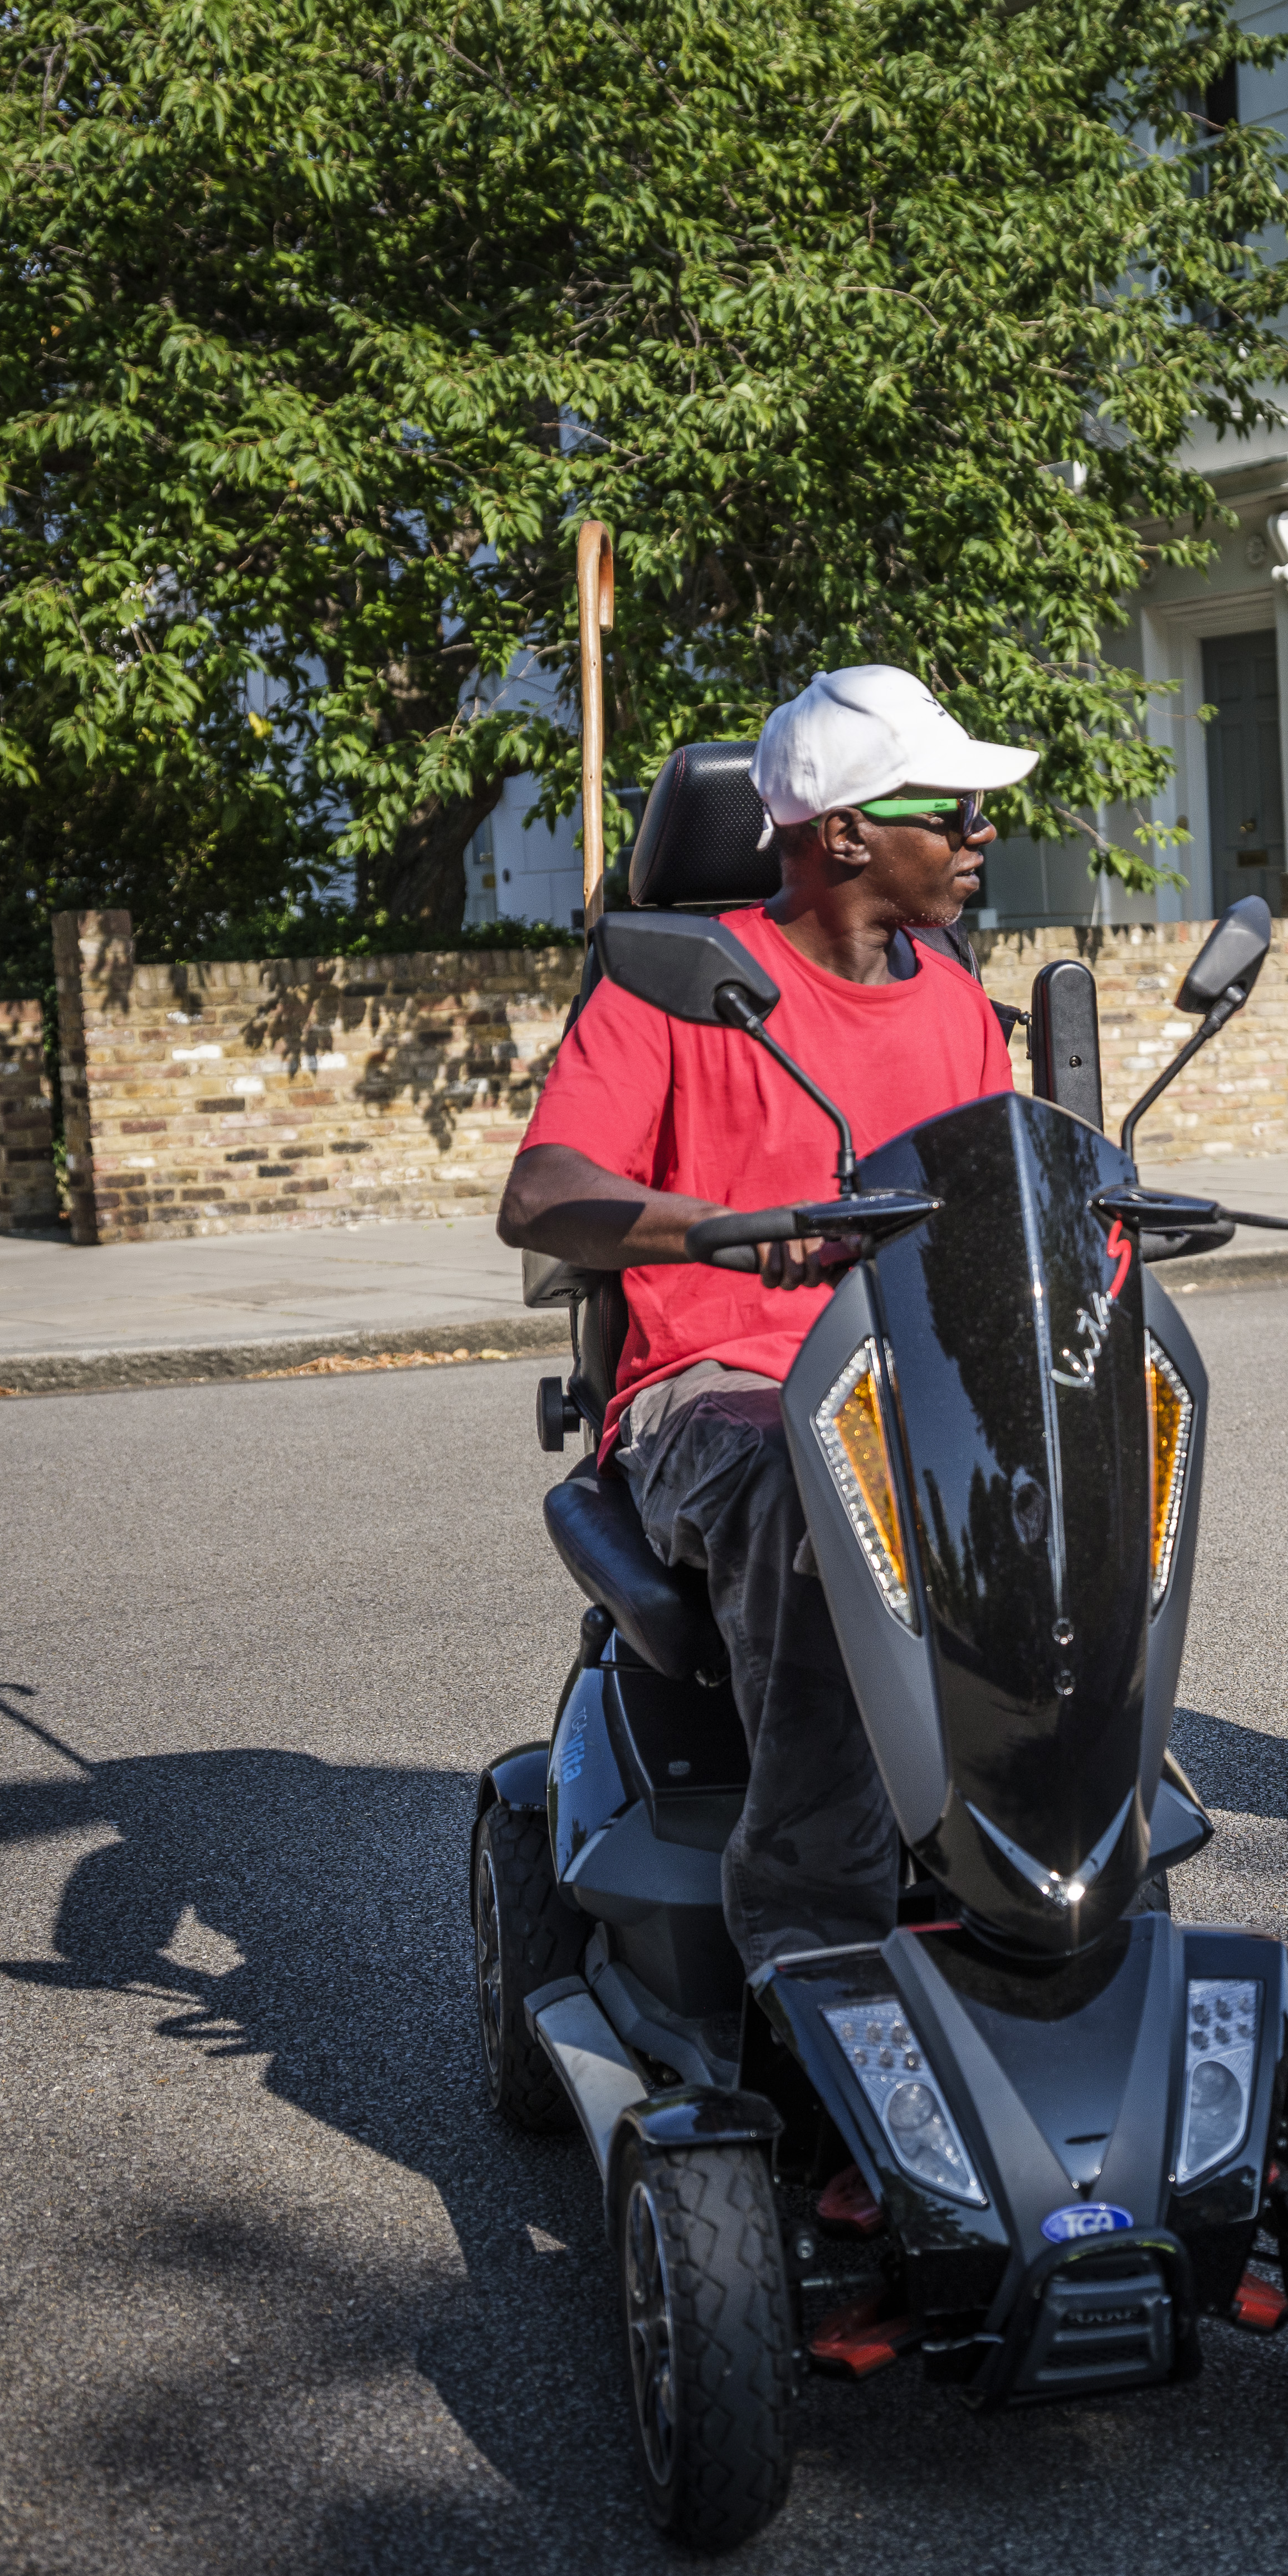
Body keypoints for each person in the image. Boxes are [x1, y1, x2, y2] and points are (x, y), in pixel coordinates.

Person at [498, 665, 1029, 1970]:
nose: (982, 831)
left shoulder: (958, 1000)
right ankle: (813, 1939)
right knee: (821, 1494)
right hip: (717, 1384)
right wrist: (737, 1230)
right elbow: (541, 1190)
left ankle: (1045, 1870)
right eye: (952, 807)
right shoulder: (681, 983)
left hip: (914, 1374)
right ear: (845, 831)